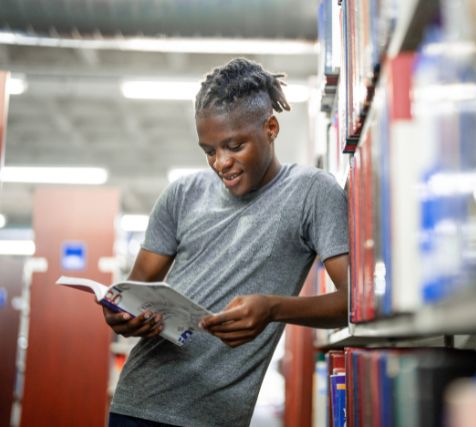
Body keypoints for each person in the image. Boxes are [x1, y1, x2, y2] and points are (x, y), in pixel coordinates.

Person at [104, 58, 349, 427]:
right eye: (209, 150)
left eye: (234, 146)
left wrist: (274, 308)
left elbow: (353, 302)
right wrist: (120, 314)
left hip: (216, 418)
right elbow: (133, 291)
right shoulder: (181, 195)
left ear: (270, 127)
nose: (221, 163)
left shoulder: (312, 192)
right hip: (136, 406)